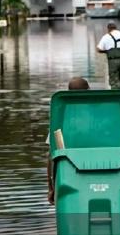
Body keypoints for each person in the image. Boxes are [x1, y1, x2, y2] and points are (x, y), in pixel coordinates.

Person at [47, 77, 90, 205]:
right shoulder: (99, 115)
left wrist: (51, 187)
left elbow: (50, 155)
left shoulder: (62, 119)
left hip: (69, 176)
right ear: (89, 91)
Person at [97, 22, 120, 89]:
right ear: (116, 28)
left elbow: (98, 49)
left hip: (113, 61)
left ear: (108, 29)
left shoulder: (106, 37)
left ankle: (115, 96)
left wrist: (106, 51)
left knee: (114, 82)